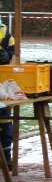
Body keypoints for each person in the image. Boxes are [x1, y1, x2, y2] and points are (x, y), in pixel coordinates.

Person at [0, 19, 15, 166]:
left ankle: (6, 157)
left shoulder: (5, 31)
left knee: (4, 121)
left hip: (2, 85)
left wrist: (7, 56)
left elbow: (12, 52)